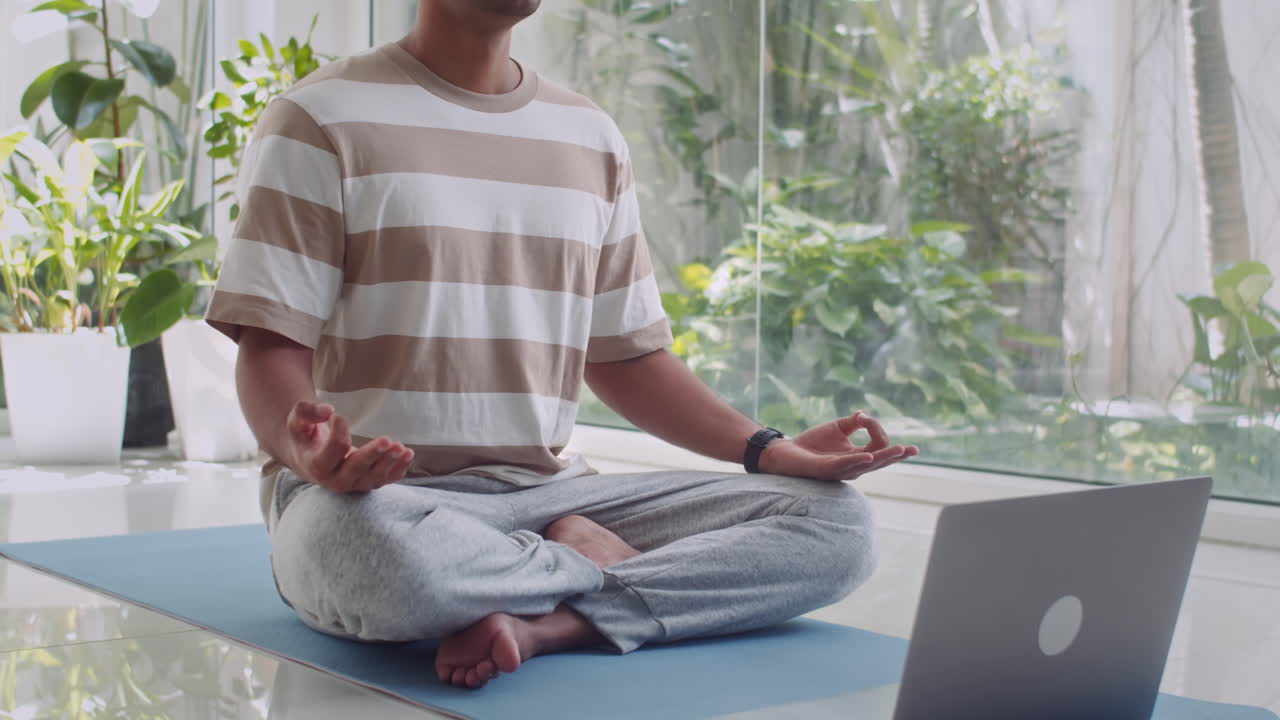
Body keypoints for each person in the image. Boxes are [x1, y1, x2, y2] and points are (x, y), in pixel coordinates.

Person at [206, 0, 920, 690]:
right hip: (379, 506)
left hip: (553, 495)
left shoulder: (589, 134)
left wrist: (769, 450)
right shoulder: (318, 117)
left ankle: (551, 622)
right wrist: (310, 455)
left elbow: (627, 356)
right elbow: (270, 344)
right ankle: (590, 577)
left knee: (838, 525)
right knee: (373, 562)